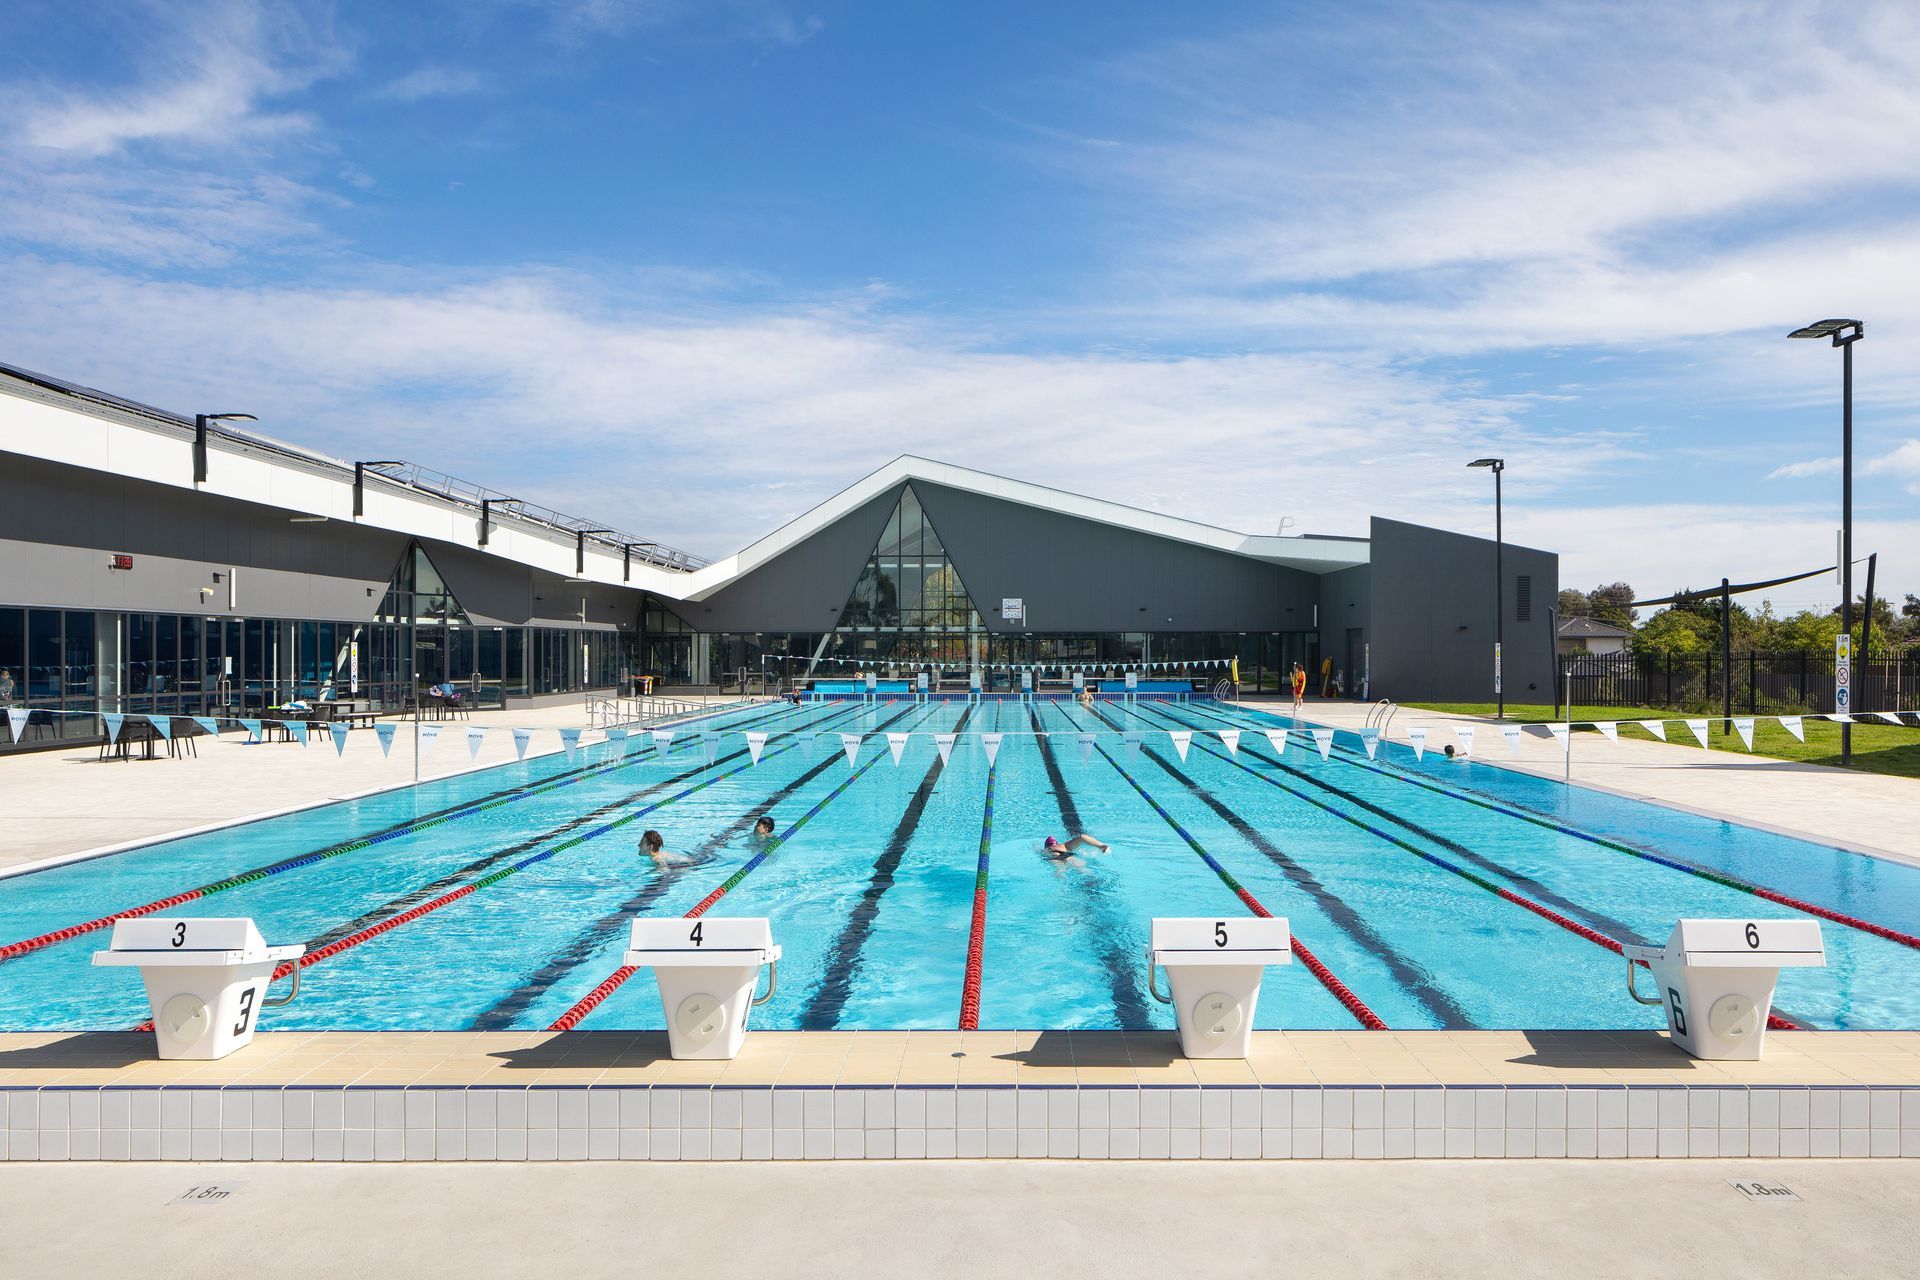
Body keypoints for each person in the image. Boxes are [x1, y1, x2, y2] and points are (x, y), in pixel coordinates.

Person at [1043, 833, 1108, 859]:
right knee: (1084, 871)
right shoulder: (1063, 845)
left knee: (1060, 871)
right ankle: (1101, 846)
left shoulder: (1048, 849)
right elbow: (1082, 837)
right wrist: (1100, 846)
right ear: (1056, 843)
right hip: (1068, 854)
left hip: (1055, 855)